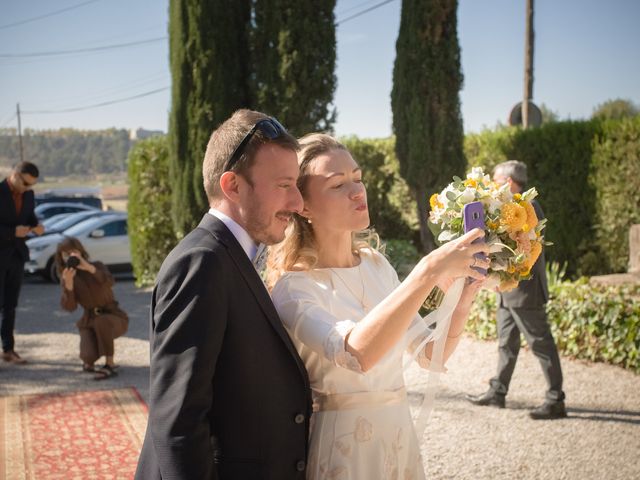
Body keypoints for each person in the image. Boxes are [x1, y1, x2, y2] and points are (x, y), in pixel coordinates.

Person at [268, 133, 490, 479]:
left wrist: (462, 301)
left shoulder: (376, 266)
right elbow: (358, 354)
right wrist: (428, 270)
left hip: (399, 438)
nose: (357, 192)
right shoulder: (294, 290)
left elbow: (430, 355)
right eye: (338, 184)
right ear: (304, 205)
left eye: (357, 178)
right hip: (344, 450)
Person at [135, 110, 313, 480]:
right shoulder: (201, 263)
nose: (298, 203)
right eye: (284, 185)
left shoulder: (237, 254)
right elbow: (179, 421)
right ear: (233, 185)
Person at [465, 160, 567, 420]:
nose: (493, 183)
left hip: (525, 292)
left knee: (541, 343)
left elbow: (521, 248)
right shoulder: (510, 206)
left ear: (508, 182)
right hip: (508, 290)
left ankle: (556, 400)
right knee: (506, 342)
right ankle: (497, 392)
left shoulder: (528, 206)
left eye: (496, 179)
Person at [56, 237, 128, 380]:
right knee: (87, 357)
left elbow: (110, 281)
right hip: (89, 320)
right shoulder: (68, 277)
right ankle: (91, 360)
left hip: (114, 316)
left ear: (80, 252)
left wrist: (89, 268)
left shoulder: (97, 266)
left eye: (72, 252)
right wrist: (69, 285)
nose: (69, 257)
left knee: (102, 322)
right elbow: (70, 307)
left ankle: (110, 364)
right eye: (65, 254)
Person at [0, 161, 44, 364]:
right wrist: (12, 233)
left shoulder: (29, 195)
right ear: (15, 175)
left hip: (17, 256)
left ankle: (8, 349)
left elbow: (29, 217)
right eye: (26, 184)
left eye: (32, 186)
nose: (28, 189)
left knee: (10, 305)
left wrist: (36, 226)